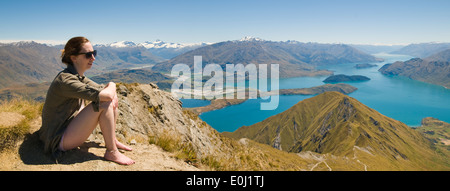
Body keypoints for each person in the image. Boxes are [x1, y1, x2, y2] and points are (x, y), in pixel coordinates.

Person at [39, 36, 135, 165]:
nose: (93, 58)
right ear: (74, 58)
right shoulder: (66, 80)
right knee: (104, 102)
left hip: (66, 130)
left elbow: (103, 90)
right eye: (88, 54)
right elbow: (105, 95)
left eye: (93, 53)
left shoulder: (77, 76)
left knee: (110, 99)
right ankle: (111, 152)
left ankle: (113, 140)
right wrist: (112, 84)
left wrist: (111, 91)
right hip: (57, 139)